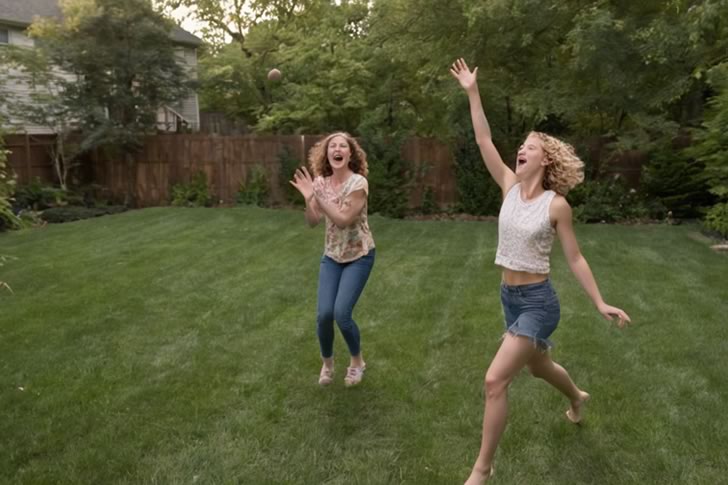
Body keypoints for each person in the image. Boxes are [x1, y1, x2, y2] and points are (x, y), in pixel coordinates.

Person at [450, 58, 632, 484]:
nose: (521, 149)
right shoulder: (509, 186)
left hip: (538, 303)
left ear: (545, 159)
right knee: (538, 366)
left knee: (495, 380)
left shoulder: (557, 206)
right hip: (509, 298)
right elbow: (483, 138)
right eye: (522, 146)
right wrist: (473, 92)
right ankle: (577, 396)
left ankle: (482, 470)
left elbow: (575, 258)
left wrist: (599, 302)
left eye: (529, 146)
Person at [289, 132, 376, 387]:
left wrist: (317, 196)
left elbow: (342, 219)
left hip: (359, 255)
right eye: (332, 146)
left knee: (341, 314)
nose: (337, 149)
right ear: (326, 154)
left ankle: (357, 362)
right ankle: (327, 364)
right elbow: (313, 221)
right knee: (324, 315)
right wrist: (309, 199)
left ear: (350, 154)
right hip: (332, 256)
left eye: (343, 146)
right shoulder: (320, 183)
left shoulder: (358, 183)